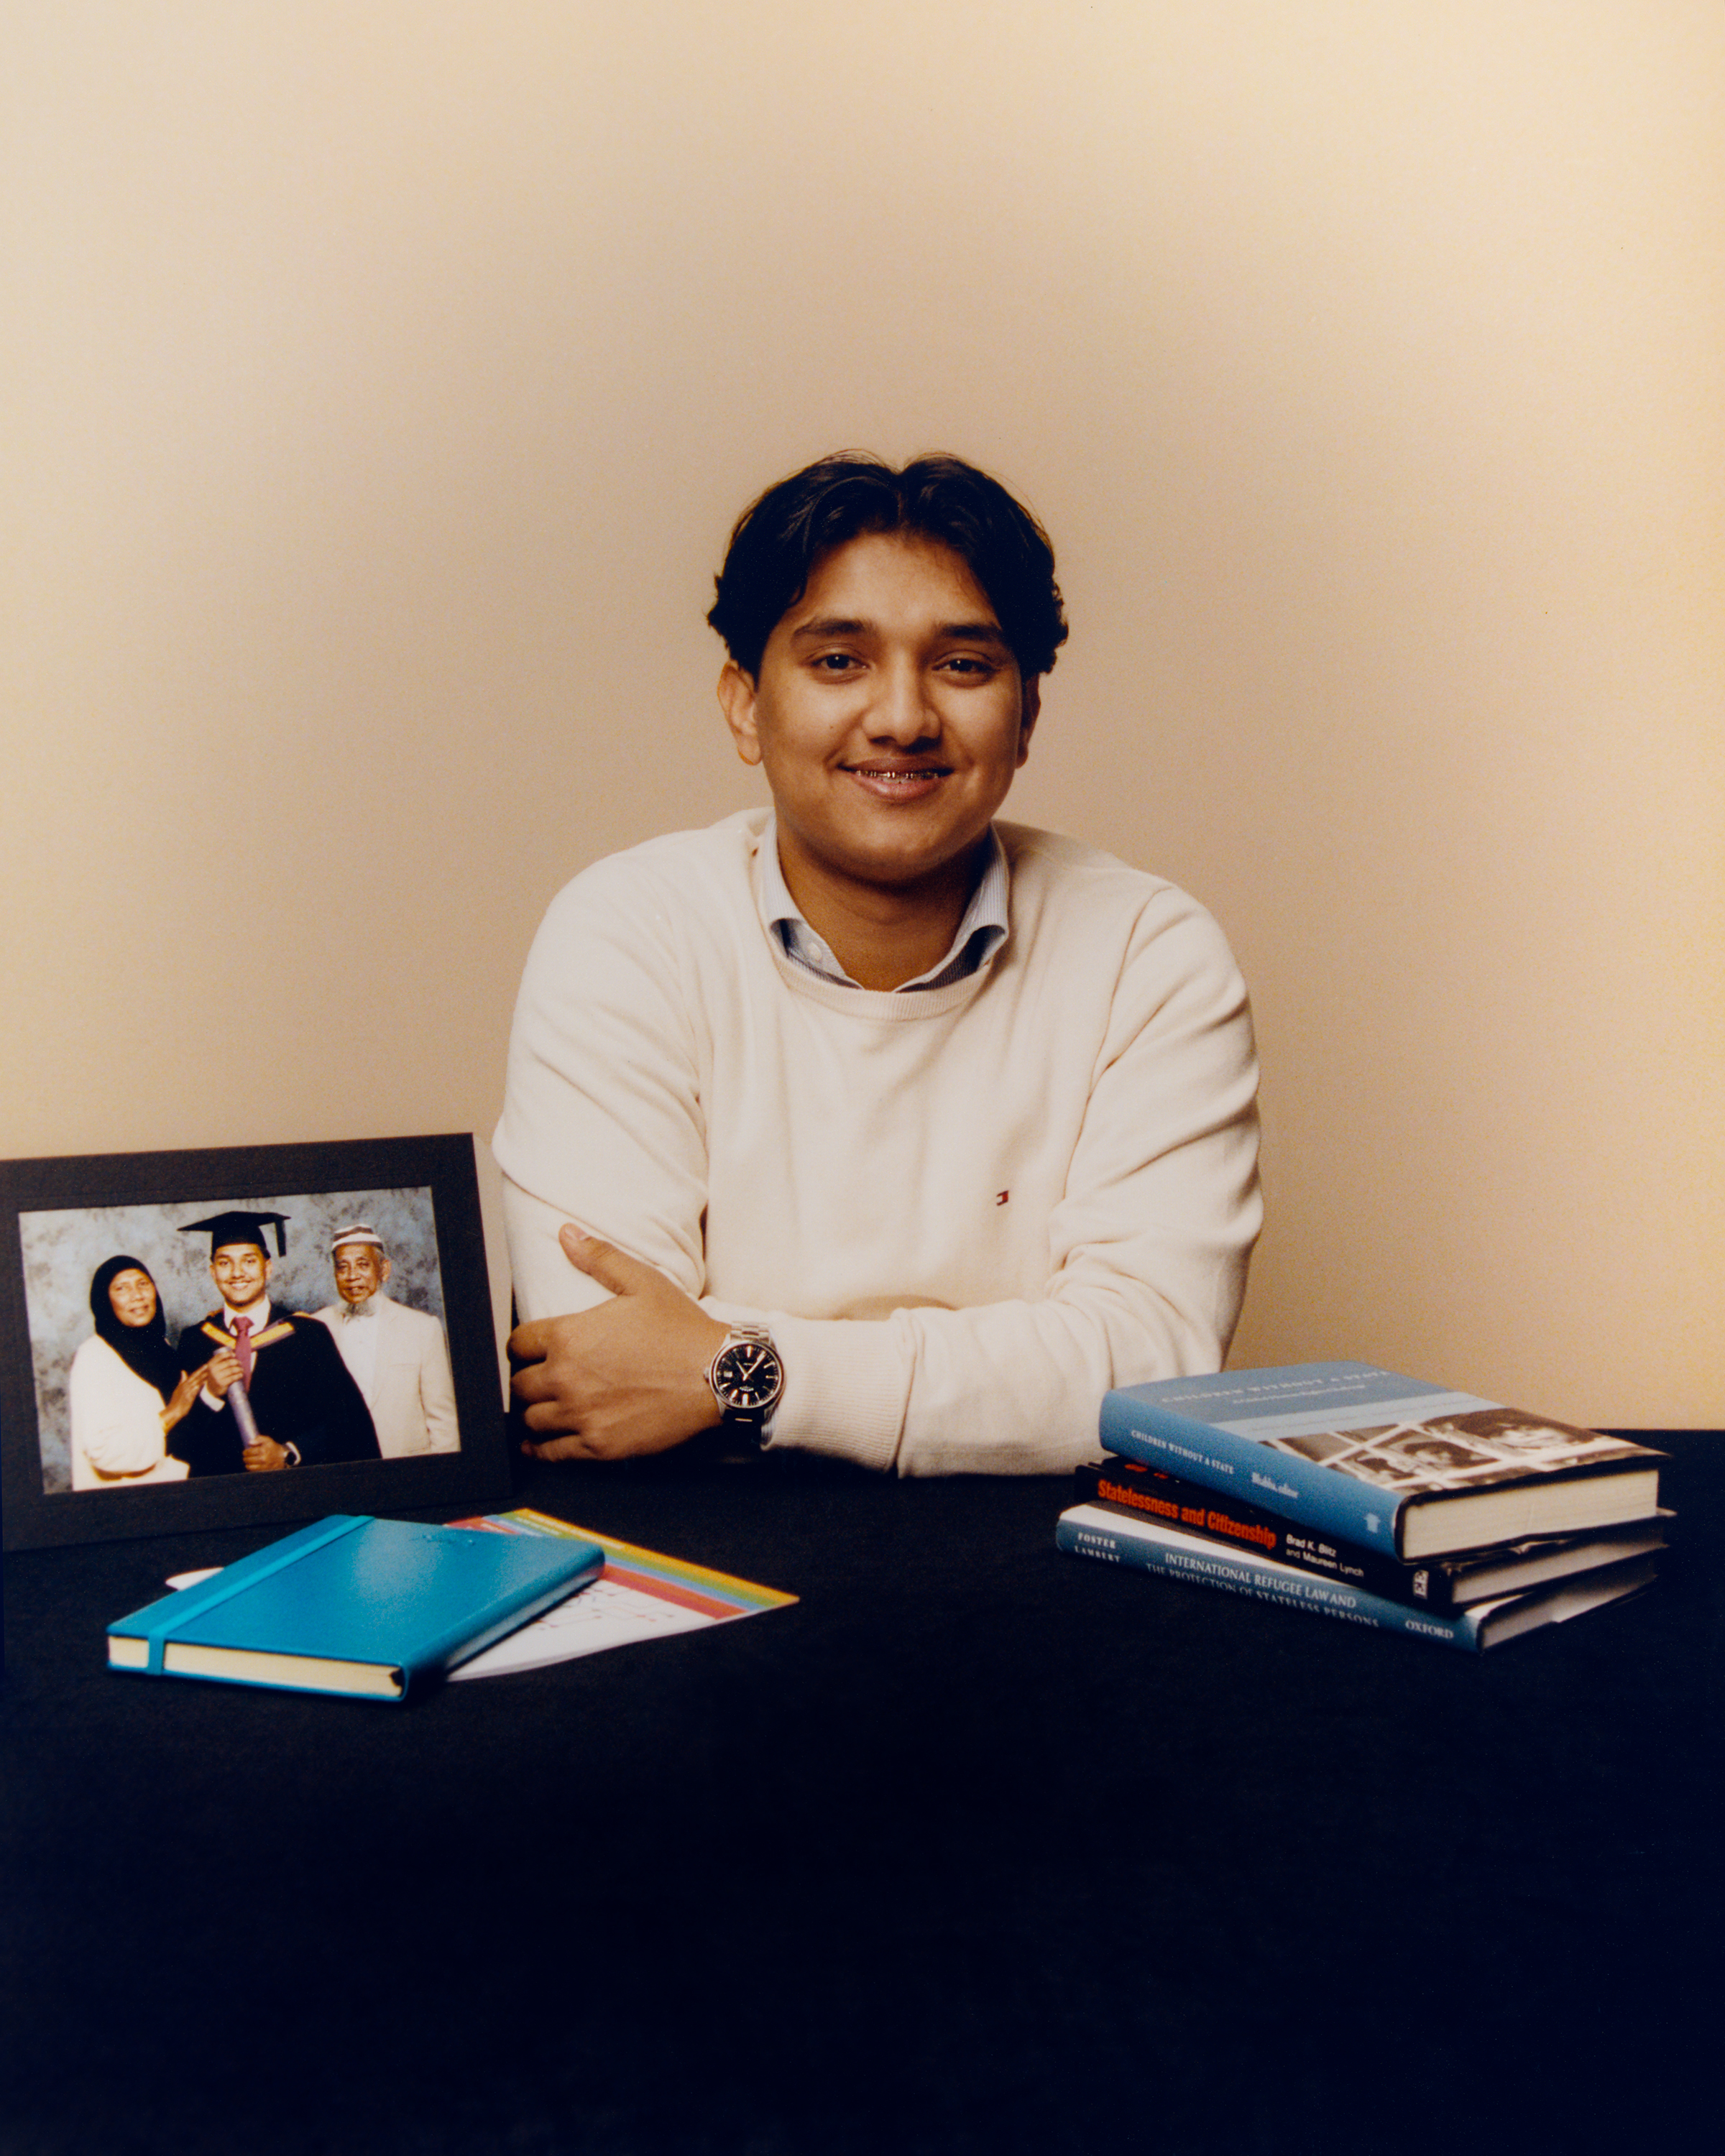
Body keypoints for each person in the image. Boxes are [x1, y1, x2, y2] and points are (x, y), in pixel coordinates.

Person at [497, 452, 1261, 1475]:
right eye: (838, 661)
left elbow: (1150, 1372)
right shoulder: (627, 932)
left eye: (963, 666)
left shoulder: (1148, 954)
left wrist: (744, 1374)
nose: (903, 717)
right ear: (744, 705)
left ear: (1027, 717)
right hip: (698, 1543)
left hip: (1046, 1552)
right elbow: (600, 1370)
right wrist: (1014, 1383)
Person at [171, 1210, 381, 1475]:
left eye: (249, 1261)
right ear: (213, 1272)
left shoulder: (307, 1335)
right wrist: (210, 1395)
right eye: (225, 1263)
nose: (237, 1273)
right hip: (221, 1491)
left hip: (291, 1488)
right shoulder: (195, 1341)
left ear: (267, 1268)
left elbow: (348, 1423)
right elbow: (179, 1443)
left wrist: (288, 1453)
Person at [312, 1222, 460, 1457]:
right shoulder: (316, 1327)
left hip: (408, 1468)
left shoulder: (422, 1328)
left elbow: (443, 1422)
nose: (352, 1276)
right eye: (343, 1268)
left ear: (384, 1270)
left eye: (363, 1265)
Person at [67, 1255, 206, 1489]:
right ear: (104, 1300)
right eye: (122, 1288)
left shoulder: (161, 1348)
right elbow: (103, 1451)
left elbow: (185, 1433)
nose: (137, 1295)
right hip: (124, 1501)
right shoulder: (94, 1356)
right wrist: (171, 1413)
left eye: (143, 1284)